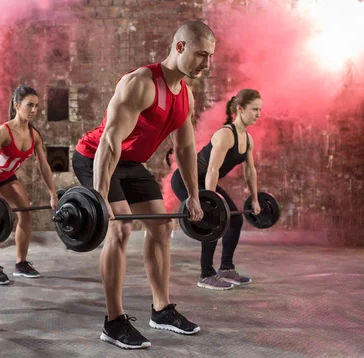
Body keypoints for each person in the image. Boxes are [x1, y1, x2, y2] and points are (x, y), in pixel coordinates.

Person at [72, 21, 214, 349]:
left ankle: (161, 310)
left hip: (131, 163)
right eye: (201, 55)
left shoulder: (185, 96)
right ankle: (113, 322)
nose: (206, 64)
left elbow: (186, 148)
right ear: (179, 47)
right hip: (95, 156)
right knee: (120, 230)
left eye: (210, 57)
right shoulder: (141, 83)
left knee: (161, 228)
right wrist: (100, 195)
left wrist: (194, 195)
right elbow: (109, 141)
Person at [171, 89, 262, 290]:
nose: (258, 114)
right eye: (255, 109)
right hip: (187, 180)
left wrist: (255, 199)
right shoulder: (225, 135)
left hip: (206, 181)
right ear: (240, 109)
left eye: (260, 110)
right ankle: (206, 274)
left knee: (235, 219)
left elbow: (250, 171)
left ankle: (226, 269)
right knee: (212, 221)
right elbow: (212, 168)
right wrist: (210, 203)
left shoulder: (247, 139)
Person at [0, 85, 58, 285]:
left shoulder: (34, 135)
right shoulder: (2, 132)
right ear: (16, 105)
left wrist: (53, 193)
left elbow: (44, 167)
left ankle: (20, 264)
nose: (33, 110)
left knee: (26, 213)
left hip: (6, 176)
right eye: (29, 105)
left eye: (36, 106)